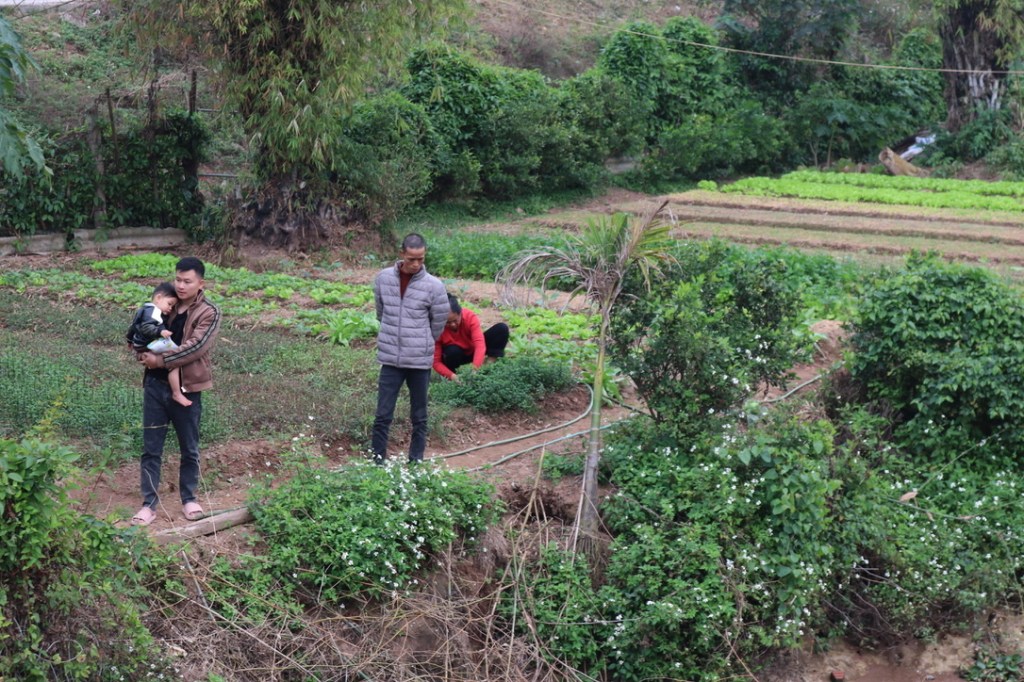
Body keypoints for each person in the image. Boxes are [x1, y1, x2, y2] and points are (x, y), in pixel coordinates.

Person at [131, 257, 221, 526]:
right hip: (155, 385)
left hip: (187, 387)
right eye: (178, 280)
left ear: (201, 283)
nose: (181, 286)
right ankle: (148, 504)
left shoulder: (209, 312)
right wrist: (139, 351)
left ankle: (189, 498)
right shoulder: (164, 305)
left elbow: (196, 347)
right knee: (151, 448)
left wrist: (160, 361)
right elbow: (141, 331)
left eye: (187, 281)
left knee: (189, 447)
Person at [372, 233, 449, 463]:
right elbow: (381, 312)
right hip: (391, 359)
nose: (416, 264)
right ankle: (377, 462)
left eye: (421, 259)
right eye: (411, 259)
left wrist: (422, 341)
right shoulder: (383, 279)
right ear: (401, 254)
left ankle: (415, 462)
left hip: (418, 360)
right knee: (382, 415)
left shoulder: (434, 286)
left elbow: (439, 322)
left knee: (419, 416)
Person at [126, 282, 191, 407]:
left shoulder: (144, 309)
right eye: (169, 304)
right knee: (174, 361)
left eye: (173, 306)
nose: (170, 309)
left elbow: (133, 326)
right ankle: (177, 392)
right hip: (147, 344)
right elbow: (146, 327)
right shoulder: (154, 311)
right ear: (158, 298)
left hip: (139, 344)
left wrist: (130, 340)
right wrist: (160, 332)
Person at [433, 293, 509, 382]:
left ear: (460, 313)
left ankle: (487, 366)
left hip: (471, 350)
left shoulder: (469, 316)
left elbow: (480, 345)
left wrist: (475, 370)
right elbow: (436, 362)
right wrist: (452, 376)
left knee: (501, 329)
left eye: (455, 320)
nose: (453, 324)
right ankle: (453, 377)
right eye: (448, 322)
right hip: (453, 355)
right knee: (452, 351)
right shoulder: (437, 328)